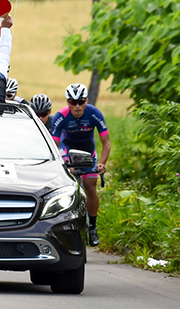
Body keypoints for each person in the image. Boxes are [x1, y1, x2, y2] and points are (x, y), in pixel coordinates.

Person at [51, 83, 111, 247]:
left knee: (90, 187)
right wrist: (59, 164)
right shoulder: (60, 116)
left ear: (86, 101)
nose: (77, 106)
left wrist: (102, 164)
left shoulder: (94, 113)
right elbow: (54, 146)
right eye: (72, 102)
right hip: (67, 148)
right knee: (66, 185)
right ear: (67, 101)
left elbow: (106, 143)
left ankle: (92, 227)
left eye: (81, 102)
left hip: (87, 149)